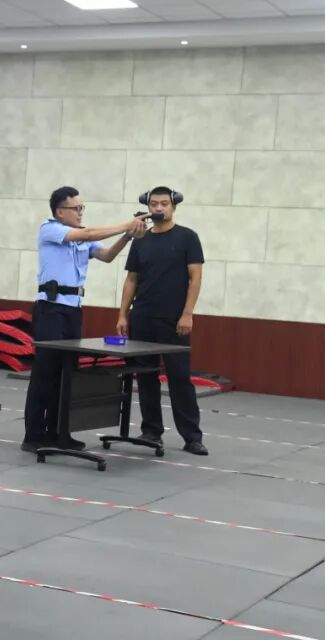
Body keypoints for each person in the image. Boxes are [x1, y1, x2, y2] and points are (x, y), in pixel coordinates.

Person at [21, 187, 148, 453]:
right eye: (76, 208)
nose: (80, 213)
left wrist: (127, 236)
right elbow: (89, 234)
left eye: (82, 208)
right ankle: (34, 434)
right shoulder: (50, 229)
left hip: (73, 310)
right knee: (45, 372)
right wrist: (126, 224)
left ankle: (59, 432)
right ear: (60, 212)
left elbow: (107, 255)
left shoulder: (83, 238)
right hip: (51, 309)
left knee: (67, 373)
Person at [117, 186, 208, 456]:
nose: (159, 208)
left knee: (179, 377)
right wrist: (122, 314)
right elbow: (131, 279)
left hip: (174, 319)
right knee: (146, 375)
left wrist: (188, 313)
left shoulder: (188, 237)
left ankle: (192, 436)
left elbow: (195, 278)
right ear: (148, 207)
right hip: (143, 317)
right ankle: (151, 431)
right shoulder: (140, 239)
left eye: (164, 203)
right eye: (154, 204)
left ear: (173, 207)